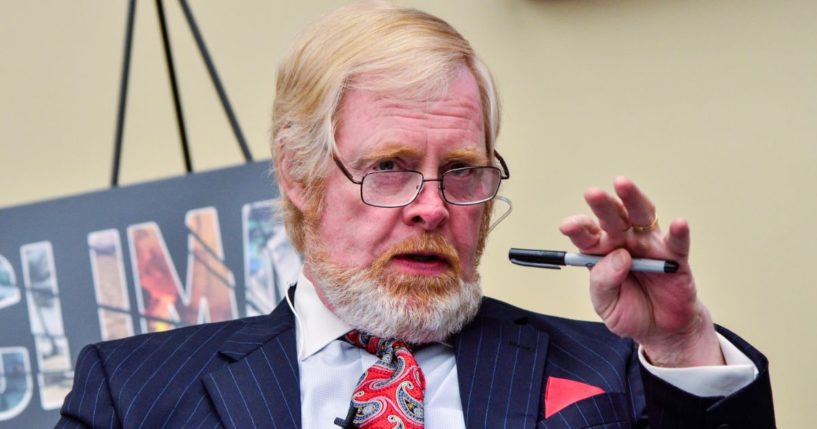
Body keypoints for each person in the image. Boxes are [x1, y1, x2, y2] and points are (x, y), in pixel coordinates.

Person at [57, 2, 774, 428]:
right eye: (390, 167)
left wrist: (680, 345)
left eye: (462, 170)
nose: (431, 207)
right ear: (298, 175)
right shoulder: (133, 393)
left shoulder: (619, 372)